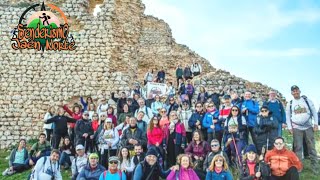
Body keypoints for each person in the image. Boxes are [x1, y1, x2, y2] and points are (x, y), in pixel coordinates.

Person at [286, 85, 318, 170]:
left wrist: (316, 124)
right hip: (296, 128)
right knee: (298, 148)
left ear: (299, 91)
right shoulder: (290, 103)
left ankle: (315, 166)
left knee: (311, 146)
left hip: (308, 127)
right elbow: (288, 116)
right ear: (291, 93)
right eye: (293, 91)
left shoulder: (307, 100)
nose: (295, 92)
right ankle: (298, 167)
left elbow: (314, 112)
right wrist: (289, 127)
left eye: (297, 90)